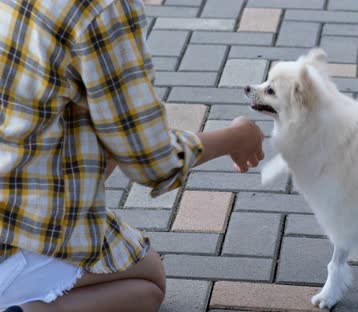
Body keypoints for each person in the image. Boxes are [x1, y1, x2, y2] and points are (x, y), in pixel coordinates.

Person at [0, 0, 264, 311]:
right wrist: (237, 136)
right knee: (147, 284)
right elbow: (152, 162)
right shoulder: (99, 8)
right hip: (17, 231)